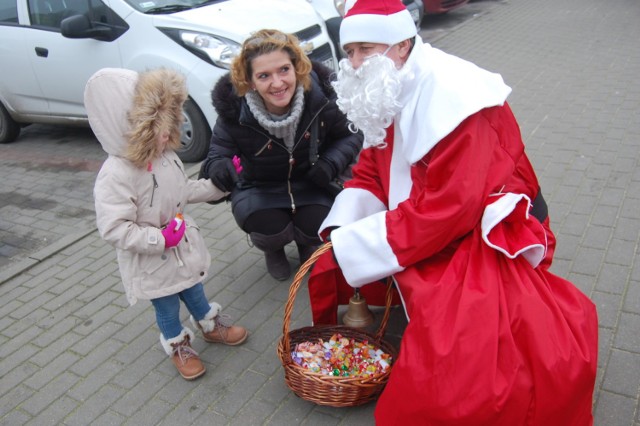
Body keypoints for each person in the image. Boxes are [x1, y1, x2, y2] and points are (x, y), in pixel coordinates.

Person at [307, 0, 599, 424]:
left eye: (365, 48)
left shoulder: (454, 95)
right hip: (436, 216)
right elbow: (374, 166)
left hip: (481, 223)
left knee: (462, 348)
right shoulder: (387, 81)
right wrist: (343, 225)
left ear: (402, 44)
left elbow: (450, 208)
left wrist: (360, 243)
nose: (354, 63)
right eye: (349, 51)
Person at [87, 67, 248, 381]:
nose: (167, 134)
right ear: (132, 127)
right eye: (158, 128)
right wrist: (160, 239)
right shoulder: (115, 175)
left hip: (183, 251)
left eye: (170, 124)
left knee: (195, 292)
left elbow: (183, 190)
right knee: (167, 309)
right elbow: (114, 228)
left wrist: (221, 184)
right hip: (154, 261)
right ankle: (178, 344)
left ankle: (210, 324)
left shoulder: (164, 155)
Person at [199, 29, 363, 281]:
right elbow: (217, 153)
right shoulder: (234, 111)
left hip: (311, 181)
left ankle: (305, 243)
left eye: (283, 70)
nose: (277, 83)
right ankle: (274, 250)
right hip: (259, 188)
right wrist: (219, 166)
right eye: (264, 76)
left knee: (317, 223)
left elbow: (351, 134)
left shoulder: (322, 99)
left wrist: (331, 163)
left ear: (296, 68)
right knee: (268, 228)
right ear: (251, 81)